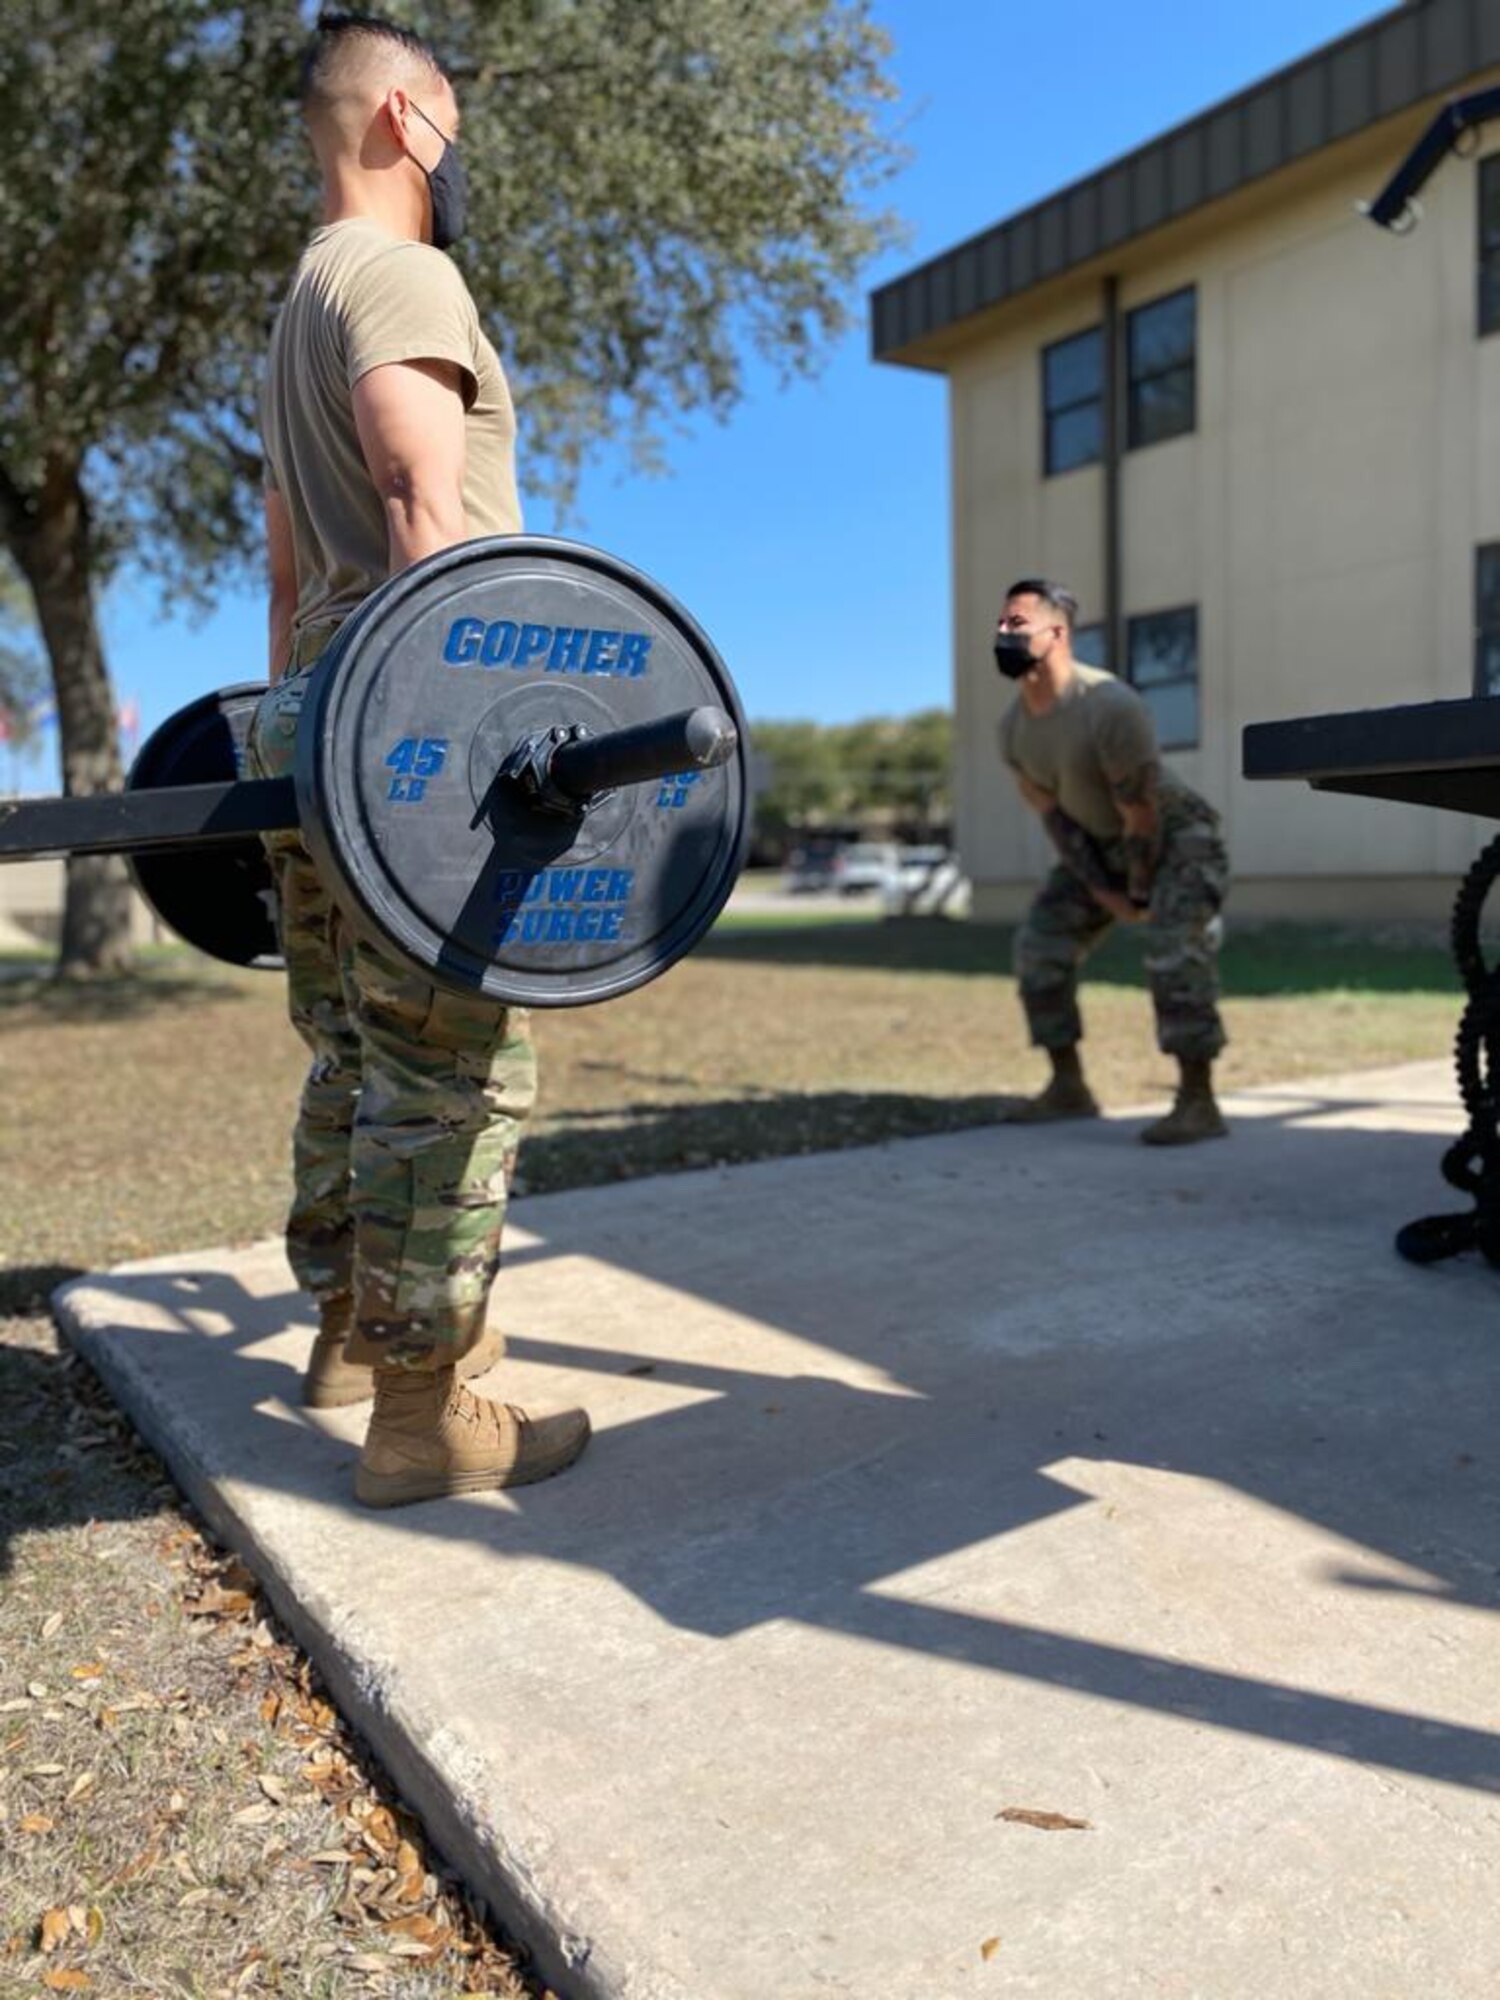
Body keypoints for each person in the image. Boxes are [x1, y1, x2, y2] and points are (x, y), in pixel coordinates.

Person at [247, 9, 590, 1506]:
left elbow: (281, 574)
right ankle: (420, 1412)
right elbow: (417, 506)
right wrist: (458, 757)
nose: (460, 161)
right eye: (450, 124)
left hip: (315, 705)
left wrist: (299, 757)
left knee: (354, 1044)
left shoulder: (298, 300)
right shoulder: (401, 272)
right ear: (398, 119)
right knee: (453, 1069)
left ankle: (346, 1328)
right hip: (409, 703)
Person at [994, 579, 1230, 1145]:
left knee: (1175, 952)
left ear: (1057, 633)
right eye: (1000, 625)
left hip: (1176, 837)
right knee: (1040, 945)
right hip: (1099, 844)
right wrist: (1105, 894)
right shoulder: (1013, 729)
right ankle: (1068, 1086)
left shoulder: (1109, 706)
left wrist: (1141, 892)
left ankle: (1199, 1101)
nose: (1002, 635)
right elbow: (1055, 818)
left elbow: (1143, 815)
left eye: (1016, 625)